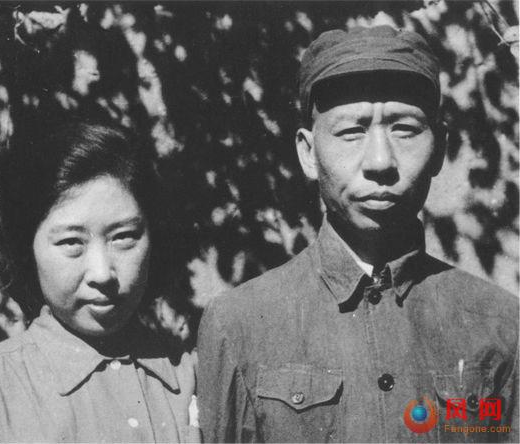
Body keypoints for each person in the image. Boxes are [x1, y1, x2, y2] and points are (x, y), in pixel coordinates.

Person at [197, 25, 518, 443]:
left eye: (405, 129)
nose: (380, 162)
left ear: (439, 148)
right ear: (308, 153)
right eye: (351, 131)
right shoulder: (238, 324)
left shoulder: (501, 324)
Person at [0, 122, 199, 442]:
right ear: (27, 249)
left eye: (124, 237)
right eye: (71, 242)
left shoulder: (192, 376)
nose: (102, 273)